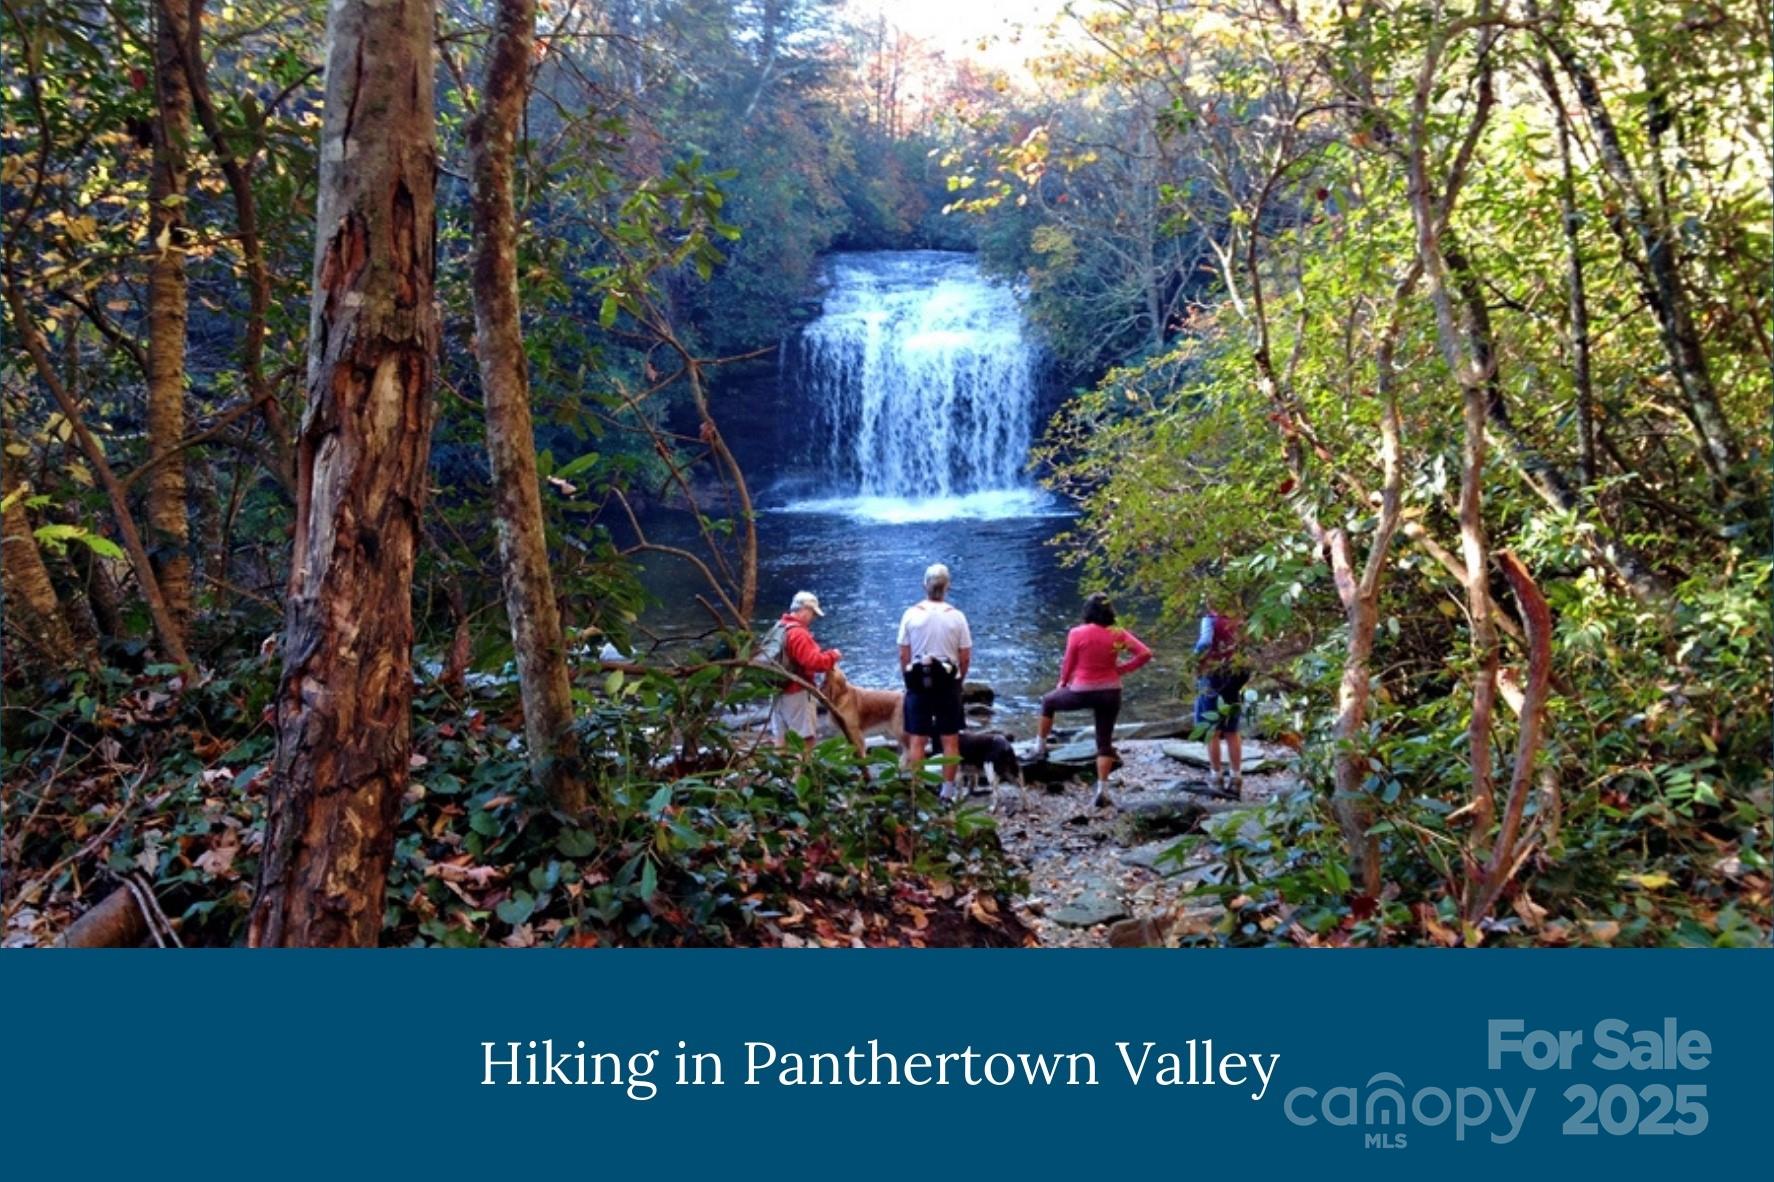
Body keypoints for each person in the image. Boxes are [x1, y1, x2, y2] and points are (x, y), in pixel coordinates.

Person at [1031, 592, 1152, 810]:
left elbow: (1068, 663)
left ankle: (1039, 747)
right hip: (1110, 692)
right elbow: (1145, 654)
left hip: (1082, 691)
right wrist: (1121, 670)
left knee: (1048, 701)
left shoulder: (1077, 633)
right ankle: (1102, 790)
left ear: (1087, 612)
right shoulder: (1117, 633)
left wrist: (1062, 683)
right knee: (1104, 742)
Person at [896, 563, 972, 800]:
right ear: (947, 587)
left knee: (918, 738)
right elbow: (965, 656)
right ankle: (947, 792)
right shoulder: (957, 617)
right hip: (948, 684)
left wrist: (909, 680)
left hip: (919, 683)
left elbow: (903, 654)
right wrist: (959, 681)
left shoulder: (911, 614)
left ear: (924, 585)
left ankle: (918, 790)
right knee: (949, 738)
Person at [769, 591, 842, 748]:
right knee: (805, 740)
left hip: (777, 689)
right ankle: (803, 764)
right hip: (797, 692)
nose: (813, 618)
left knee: (781, 738)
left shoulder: (779, 626)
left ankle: (780, 764)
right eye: (813, 613)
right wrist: (833, 655)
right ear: (805, 610)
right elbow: (814, 662)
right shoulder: (799, 633)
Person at [1194, 599, 1248, 797]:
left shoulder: (1210, 620)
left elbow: (1205, 643)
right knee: (1232, 730)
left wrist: (1196, 659)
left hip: (1213, 677)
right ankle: (1236, 776)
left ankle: (1216, 776)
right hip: (1234, 676)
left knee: (1212, 730)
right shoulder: (1239, 622)